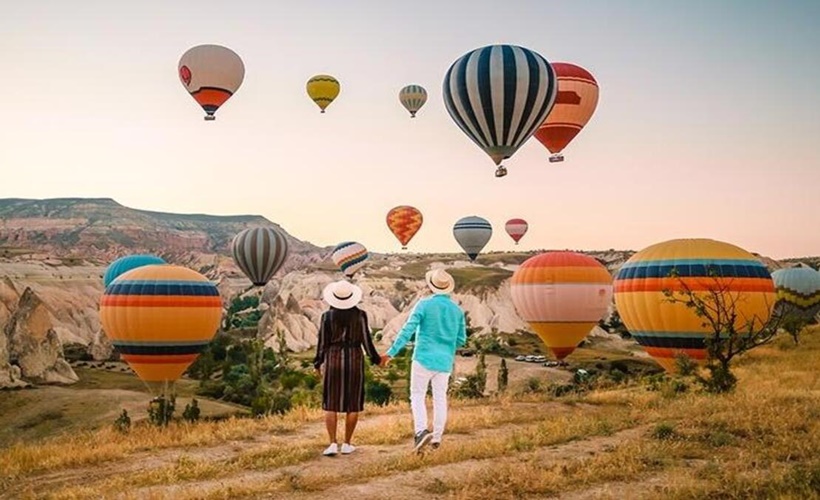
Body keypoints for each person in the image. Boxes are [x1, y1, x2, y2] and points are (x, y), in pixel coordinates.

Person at [382, 268, 467, 453]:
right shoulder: (457, 311)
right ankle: (436, 437)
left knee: (418, 395)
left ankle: (421, 432)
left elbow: (407, 330)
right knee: (440, 398)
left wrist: (391, 353)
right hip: (444, 361)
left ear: (431, 286)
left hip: (423, 358)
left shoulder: (423, 305)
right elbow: (462, 340)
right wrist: (447, 343)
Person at [313, 280, 382, 457]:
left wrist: (317, 363)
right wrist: (376, 359)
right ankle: (347, 444)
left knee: (331, 403)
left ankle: (332, 444)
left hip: (333, 359)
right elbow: (367, 341)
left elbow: (322, 343)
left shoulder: (327, 317)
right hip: (354, 360)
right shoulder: (360, 315)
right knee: (353, 404)